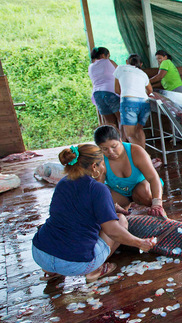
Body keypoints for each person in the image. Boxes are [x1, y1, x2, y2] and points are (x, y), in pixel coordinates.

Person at [32, 144, 156, 283]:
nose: (104, 167)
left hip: (41, 253)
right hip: (76, 264)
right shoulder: (98, 188)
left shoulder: (63, 183)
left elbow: (73, 208)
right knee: (121, 221)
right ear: (94, 167)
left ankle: (51, 270)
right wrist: (140, 243)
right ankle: (94, 270)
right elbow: (113, 231)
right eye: (102, 163)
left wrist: (110, 207)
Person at [94, 125, 166, 217]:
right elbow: (98, 188)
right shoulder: (100, 160)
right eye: (105, 149)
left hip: (143, 189)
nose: (110, 152)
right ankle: (124, 213)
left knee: (145, 194)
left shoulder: (136, 151)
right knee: (104, 205)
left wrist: (157, 204)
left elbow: (153, 178)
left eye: (114, 146)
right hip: (119, 193)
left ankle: (163, 216)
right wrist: (111, 206)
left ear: (120, 140)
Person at [113, 54, 153, 151]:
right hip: (144, 103)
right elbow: (150, 91)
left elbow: (117, 90)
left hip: (129, 102)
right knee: (139, 129)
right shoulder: (143, 74)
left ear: (127, 62)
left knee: (130, 134)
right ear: (141, 64)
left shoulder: (120, 68)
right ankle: (144, 157)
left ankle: (145, 158)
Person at [88, 47, 122, 138]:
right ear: (103, 55)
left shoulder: (91, 66)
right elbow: (120, 73)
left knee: (109, 123)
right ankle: (123, 143)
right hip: (110, 92)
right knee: (121, 119)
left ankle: (112, 142)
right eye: (108, 56)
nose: (109, 58)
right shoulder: (108, 62)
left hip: (97, 94)